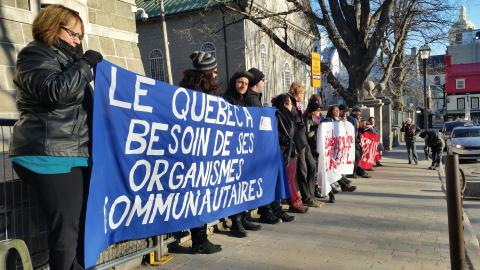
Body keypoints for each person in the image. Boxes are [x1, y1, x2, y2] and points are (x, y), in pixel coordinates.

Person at [9, 5, 103, 269]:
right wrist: (85, 65)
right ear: (53, 26)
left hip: (73, 155)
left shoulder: (70, 63)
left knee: (82, 226)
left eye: (80, 37)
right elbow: (54, 92)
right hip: (49, 155)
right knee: (66, 231)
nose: (77, 41)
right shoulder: (34, 54)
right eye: (73, 34)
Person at [178, 51, 222, 254]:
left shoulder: (191, 90)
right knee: (198, 196)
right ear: (207, 73)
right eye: (214, 70)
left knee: (199, 196)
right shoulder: (197, 94)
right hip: (194, 153)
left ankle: (200, 238)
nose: (217, 73)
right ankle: (200, 239)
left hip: (198, 151)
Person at [244, 68, 295, 223]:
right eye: (263, 80)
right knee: (267, 179)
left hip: (266, 147)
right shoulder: (252, 99)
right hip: (261, 148)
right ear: (256, 82)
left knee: (272, 179)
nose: (264, 83)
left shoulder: (256, 98)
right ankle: (267, 210)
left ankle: (275, 209)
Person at [222, 70, 263, 237]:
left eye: (246, 84)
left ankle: (244, 217)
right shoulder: (227, 100)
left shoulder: (246, 100)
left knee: (244, 184)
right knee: (235, 185)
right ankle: (236, 221)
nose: (243, 86)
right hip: (232, 149)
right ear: (234, 83)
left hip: (246, 148)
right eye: (240, 82)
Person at [288, 83, 324, 208]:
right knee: (302, 171)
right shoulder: (290, 105)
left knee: (312, 166)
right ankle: (307, 197)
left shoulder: (298, 106)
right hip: (298, 142)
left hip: (304, 141)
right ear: (295, 93)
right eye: (301, 93)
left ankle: (311, 195)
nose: (302, 95)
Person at [272, 94, 308, 214]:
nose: (292, 106)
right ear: (285, 104)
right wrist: (286, 140)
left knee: (291, 178)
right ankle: (294, 202)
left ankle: (295, 201)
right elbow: (278, 133)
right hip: (285, 151)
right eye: (290, 103)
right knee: (289, 179)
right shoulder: (278, 115)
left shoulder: (289, 115)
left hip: (291, 150)